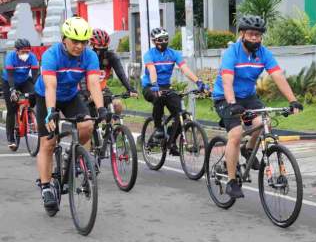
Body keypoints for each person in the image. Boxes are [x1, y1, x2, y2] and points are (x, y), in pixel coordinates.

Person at [212, 15, 303, 198]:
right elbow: (227, 82)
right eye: (251, 34)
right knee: (236, 134)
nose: (255, 38)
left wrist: (293, 100)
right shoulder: (232, 53)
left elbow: (278, 76)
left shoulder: (264, 53)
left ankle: (248, 149)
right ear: (243, 34)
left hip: (248, 96)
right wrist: (232, 103)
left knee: (263, 121)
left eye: (258, 35)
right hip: (225, 97)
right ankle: (231, 181)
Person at [34, 17, 107, 213]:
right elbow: (50, 86)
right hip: (46, 96)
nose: (79, 46)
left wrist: (101, 108)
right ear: (64, 38)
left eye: (83, 42)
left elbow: (93, 83)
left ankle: (73, 156)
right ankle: (46, 187)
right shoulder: (51, 55)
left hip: (70, 96)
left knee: (87, 126)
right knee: (48, 142)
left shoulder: (89, 56)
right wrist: (51, 112)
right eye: (75, 41)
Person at [141, 27, 208, 156]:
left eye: (166, 39)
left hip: (166, 86)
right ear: (154, 41)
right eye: (160, 40)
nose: (164, 42)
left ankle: (171, 142)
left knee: (181, 114)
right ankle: (158, 128)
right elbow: (152, 70)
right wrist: (155, 85)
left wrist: (198, 82)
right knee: (158, 97)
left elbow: (185, 69)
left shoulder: (174, 53)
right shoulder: (149, 54)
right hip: (150, 86)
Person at [84, 28, 138, 115]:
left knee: (117, 105)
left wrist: (130, 89)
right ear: (92, 45)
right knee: (91, 118)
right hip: (86, 91)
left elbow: (120, 73)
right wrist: (87, 94)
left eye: (104, 46)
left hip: (103, 89)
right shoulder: (86, 57)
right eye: (99, 46)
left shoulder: (111, 57)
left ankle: (111, 127)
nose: (102, 49)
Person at [1, 38, 39, 149]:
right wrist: (12, 90)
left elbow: (35, 76)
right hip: (9, 82)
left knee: (35, 93)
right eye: (23, 52)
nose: (25, 54)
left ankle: (28, 113)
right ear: (16, 51)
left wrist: (39, 89)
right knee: (11, 110)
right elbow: (10, 76)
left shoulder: (32, 57)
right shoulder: (10, 57)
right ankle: (11, 139)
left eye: (27, 52)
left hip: (24, 80)